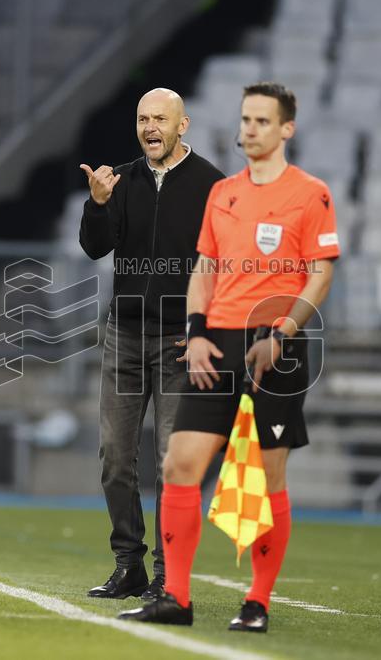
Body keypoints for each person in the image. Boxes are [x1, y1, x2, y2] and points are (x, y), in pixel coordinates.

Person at [118, 82, 339, 631]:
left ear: (287, 128)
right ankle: (176, 597)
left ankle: (257, 602)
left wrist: (285, 330)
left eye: (262, 121)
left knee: (268, 478)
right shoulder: (224, 193)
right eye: (245, 120)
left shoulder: (311, 194)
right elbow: (204, 269)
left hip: (277, 347)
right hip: (217, 341)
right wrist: (195, 332)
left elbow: (321, 271)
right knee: (178, 465)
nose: (249, 130)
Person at [79, 88, 224, 602]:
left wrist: (206, 329)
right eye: (142, 119)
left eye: (160, 118)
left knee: (173, 464)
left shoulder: (213, 186)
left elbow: (225, 267)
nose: (150, 126)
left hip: (181, 342)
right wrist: (97, 204)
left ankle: (168, 572)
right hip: (125, 336)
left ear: (183, 125)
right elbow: (95, 246)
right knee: (114, 455)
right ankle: (129, 565)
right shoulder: (118, 181)